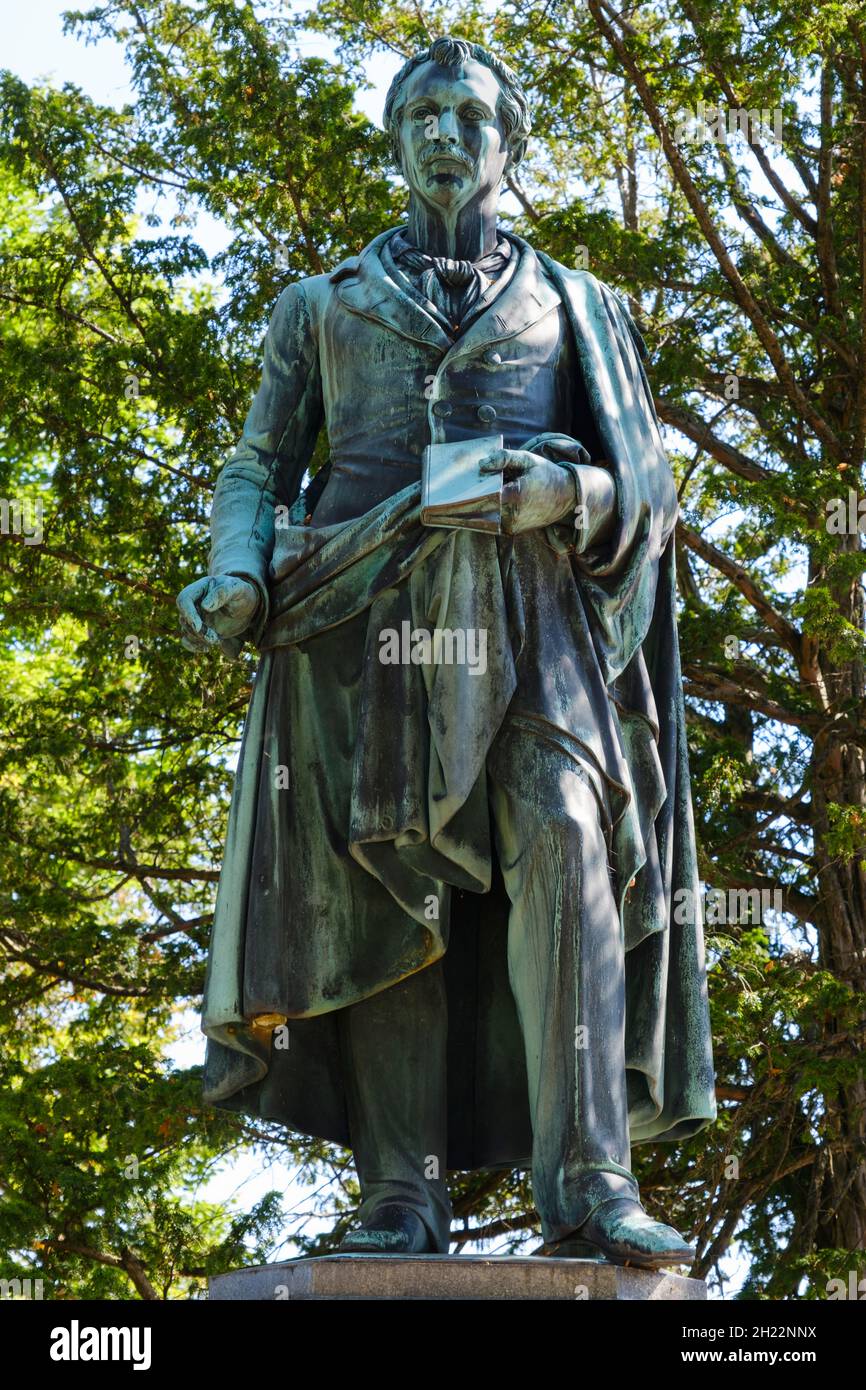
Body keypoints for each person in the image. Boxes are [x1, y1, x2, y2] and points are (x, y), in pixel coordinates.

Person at [177, 34, 717, 1268]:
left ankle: (589, 1181)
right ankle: (399, 1196)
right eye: (419, 114)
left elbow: (645, 481)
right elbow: (259, 463)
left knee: (568, 837)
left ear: (504, 141)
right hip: (365, 627)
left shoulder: (580, 303)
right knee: (387, 873)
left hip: (538, 625)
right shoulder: (319, 306)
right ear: (393, 139)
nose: (441, 134)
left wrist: (558, 490)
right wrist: (236, 567)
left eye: (466, 115)